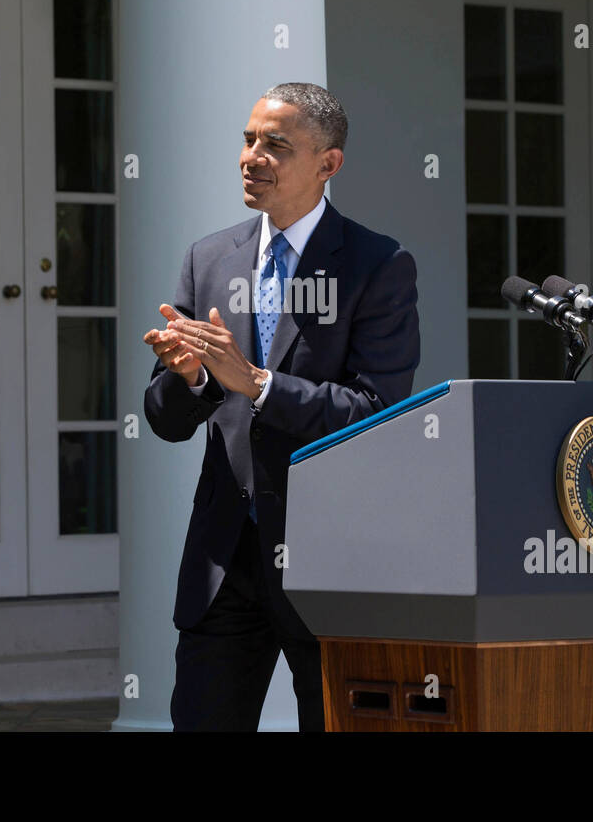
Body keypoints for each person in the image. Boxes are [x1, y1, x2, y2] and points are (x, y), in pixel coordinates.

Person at [142, 82, 420, 731]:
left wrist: (258, 384)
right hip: (223, 565)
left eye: (275, 145)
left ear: (329, 163)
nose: (251, 157)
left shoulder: (379, 266)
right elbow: (161, 418)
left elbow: (374, 412)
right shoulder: (208, 257)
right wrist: (190, 380)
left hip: (328, 565)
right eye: (247, 140)